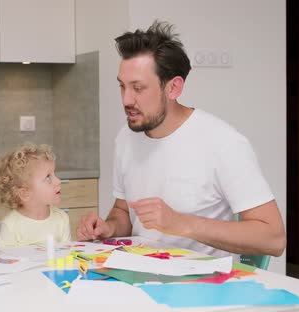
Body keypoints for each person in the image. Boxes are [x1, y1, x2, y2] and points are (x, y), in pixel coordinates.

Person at [77, 21, 286, 258]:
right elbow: (123, 210)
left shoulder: (223, 143)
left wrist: (181, 223)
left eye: (138, 88)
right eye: (122, 87)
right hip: (139, 274)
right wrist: (109, 228)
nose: (126, 99)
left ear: (174, 88)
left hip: (206, 285)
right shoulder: (126, 138)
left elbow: (274, 238)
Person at [0, 143, 71, 247]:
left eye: (54, 174)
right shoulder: (11, 226)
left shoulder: (61, 219)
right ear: (24, 193)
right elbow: (6, 261)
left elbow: (66, 257)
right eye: (48, 177)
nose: (58, 181)